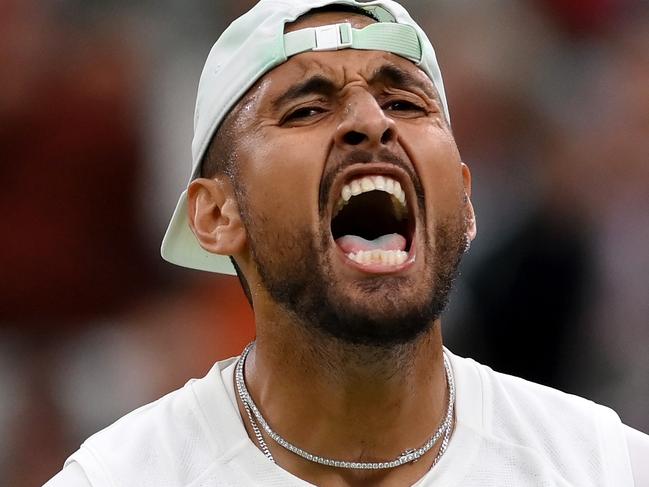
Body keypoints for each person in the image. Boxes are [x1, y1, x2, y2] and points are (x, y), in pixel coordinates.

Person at [45, 0, 649, 485]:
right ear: (218, 213)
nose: (372, 120)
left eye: (405, 101)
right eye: (307, 109)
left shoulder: (603, 467)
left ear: (464, 201)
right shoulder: (122, 476)